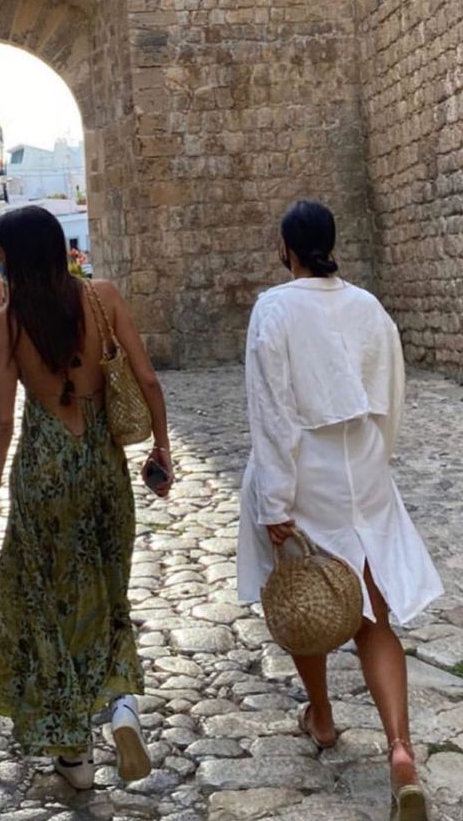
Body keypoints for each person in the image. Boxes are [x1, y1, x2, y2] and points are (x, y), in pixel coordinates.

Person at [237, 200, 443, 821]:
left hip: (303, 475)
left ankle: (322, 717)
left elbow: (272, 413)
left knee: (306, 595)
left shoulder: (274, 310)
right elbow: (392, 395)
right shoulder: (369, 308)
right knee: (373, 615)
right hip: (363, 469)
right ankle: (401, 750)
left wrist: (273, 499)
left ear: (285, 248)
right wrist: (378, 459)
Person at [0, 205, 173, 789]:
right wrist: (162, 449)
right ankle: (122, 706)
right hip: (102, 467)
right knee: (108, 594)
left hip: (43, 473)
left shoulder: (8, 322)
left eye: (3, 253)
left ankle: (75, 759)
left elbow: (2, 421)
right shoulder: (103, 296)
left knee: (47, 607)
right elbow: (148, 379)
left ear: (18, 256)